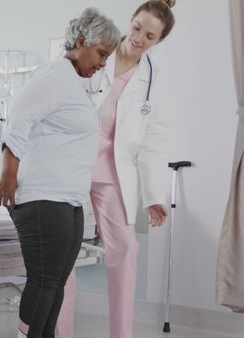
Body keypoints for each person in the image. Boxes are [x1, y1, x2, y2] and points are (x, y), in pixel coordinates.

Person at [0, 8, 121, 338]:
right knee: (45, 280)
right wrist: (8, 175)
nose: (103, 62)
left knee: (56, 282)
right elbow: (18, 121)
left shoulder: (74, 84)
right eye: (101, 53)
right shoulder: (54, 76)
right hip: (41, 197)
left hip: (66, 200)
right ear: (81, 42)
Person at [55, 1, 176, 338]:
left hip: (114, 175)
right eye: (137, 27)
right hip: (73, 166)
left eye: (149, 36)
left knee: (125, 251)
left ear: (159, 41)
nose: (139, 37)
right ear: (131, 20)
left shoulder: (155, 80)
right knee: (64, 252)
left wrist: (154, 196)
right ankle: (60, 333)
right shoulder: (98, 50)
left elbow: (155, 140)